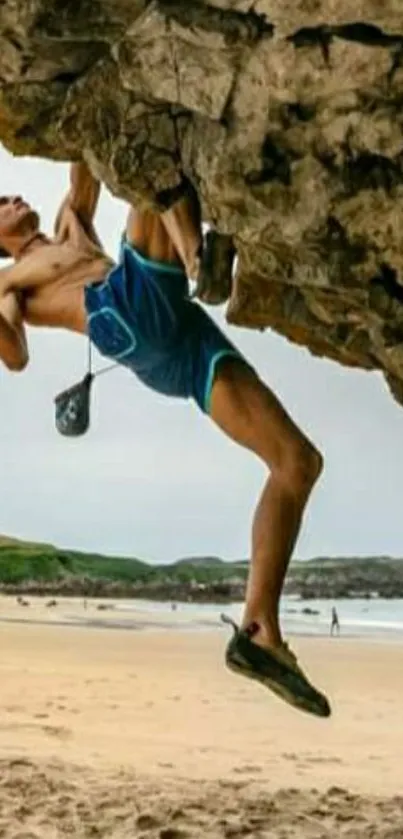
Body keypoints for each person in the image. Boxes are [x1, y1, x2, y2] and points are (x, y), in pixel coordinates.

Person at [0, 163, 330, 718]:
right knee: (151, 166)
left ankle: (259, 631)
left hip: (173, 343)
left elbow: (89, 163)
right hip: (122, 315)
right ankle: (200, 261)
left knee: (297, 462)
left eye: (9, 191)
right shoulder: (12, 280)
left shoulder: (67, 225)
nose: (11, 197)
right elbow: (15, 354)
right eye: (1, 203)